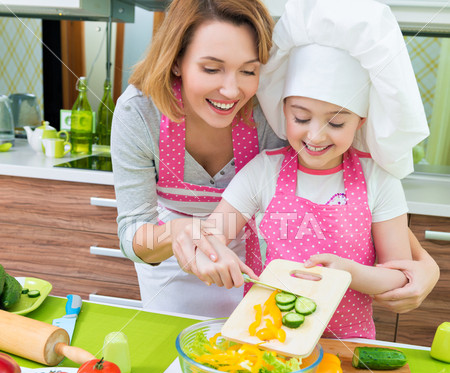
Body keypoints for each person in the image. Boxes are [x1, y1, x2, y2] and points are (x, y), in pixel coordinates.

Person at [111, 0, 439, 318]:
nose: (231, 90)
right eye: (212, 68)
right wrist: (178, 232)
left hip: (258, 270)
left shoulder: (270, 110)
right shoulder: (140, 114)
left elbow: (358, 199)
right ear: (176, 60)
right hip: (174, 259)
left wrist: (425, 265)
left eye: (248, 70)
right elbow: (132, 227)